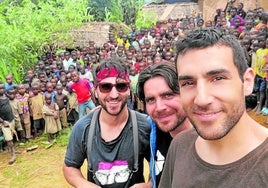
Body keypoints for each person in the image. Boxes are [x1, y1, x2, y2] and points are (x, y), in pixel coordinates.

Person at [159, 28, 268, 187]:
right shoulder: (180, 145)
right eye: (188, 83)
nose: (202, 99)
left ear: (247, 82)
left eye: (218, 78)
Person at [63, 58, 151, 188]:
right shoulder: (83, 128)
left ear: (128, 90)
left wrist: (148, 185)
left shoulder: (145, 126)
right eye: (106, 87)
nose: (114, 95)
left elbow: (162, 166)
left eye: (121, 86)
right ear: (96, 91)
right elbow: (70, 167)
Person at [137, 63, 192, 187]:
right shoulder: (155, 132)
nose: (159, 107)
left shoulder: (207, 144)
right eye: (151, 100)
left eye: (168, 95)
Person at [0, 82, 16, 164]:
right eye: (0, 88)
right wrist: (3, 122)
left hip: (11, 119)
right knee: (9, 138)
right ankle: (13, 154)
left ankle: (11, 149)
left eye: (3, 88)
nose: (2, 90)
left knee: (11, 135)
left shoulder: (6, 95)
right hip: (4, 122)